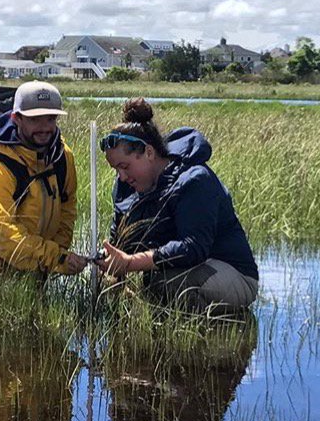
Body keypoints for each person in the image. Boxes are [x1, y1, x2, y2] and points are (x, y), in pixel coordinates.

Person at [95, 98, 258, 312]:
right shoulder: (126, 187)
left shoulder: (194, 180)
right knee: (102, 280)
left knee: (166, 283)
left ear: (149, 153)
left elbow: (193, 247)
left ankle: (209, 333)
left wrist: (130, 264)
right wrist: (108, 263)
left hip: (232, 272)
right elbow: (120, 242)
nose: (122, 176)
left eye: (125, 166)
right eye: (116, 169)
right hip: (176, 270)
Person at [0, 81, 87, 292]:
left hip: (32, 274)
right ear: (17, 118)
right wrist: (57, 258)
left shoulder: (62, 157)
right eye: (35, 119)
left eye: (50, 119)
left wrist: (58, 253)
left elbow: (67, 209)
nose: (44, 127)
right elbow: (4, 236)